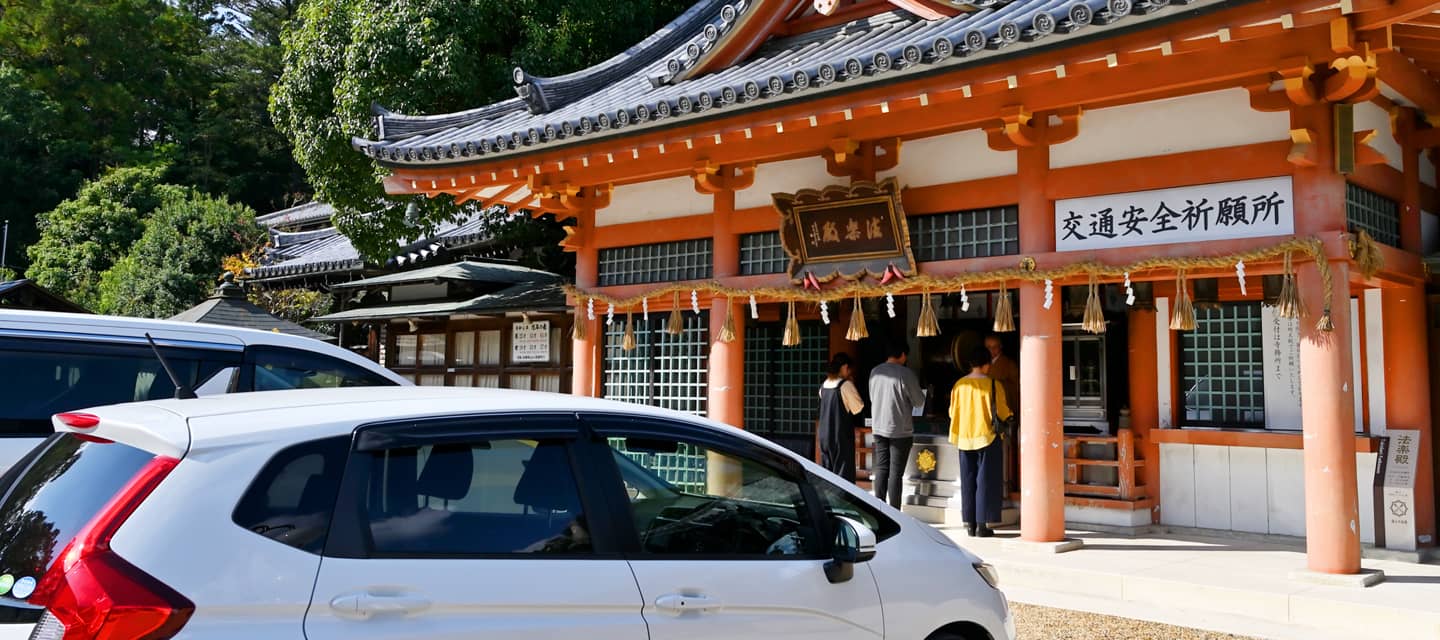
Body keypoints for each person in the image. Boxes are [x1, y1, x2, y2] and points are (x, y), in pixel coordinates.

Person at [949, 346, 1013, 537]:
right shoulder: (994, 385)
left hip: (964, 437)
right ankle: (982, 525)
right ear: (986, 364)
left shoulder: (959, 385)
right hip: (987, 436)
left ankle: (969, 523)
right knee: (986, 481)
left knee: (968, 480)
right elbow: (1002, 412)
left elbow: (952, 412)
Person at [868, 341, 925, 508]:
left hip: (878, 426)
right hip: (900, 429)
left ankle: (879, 507)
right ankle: (894, 510)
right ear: (902, 355)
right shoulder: (905, 374)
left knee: (881, 469)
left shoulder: (875, 372)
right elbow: (919, 401)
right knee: (895, 473)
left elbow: (872, 397)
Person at [818, 353, 865, 482]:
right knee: (843, 474)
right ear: (844, 367)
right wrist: (852, 384)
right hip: (840, 435)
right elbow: (858, 408)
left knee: (827, 473)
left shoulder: (824, 385)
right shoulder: (845, 385)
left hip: (824, 435)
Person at [985, 334, 1020, 495]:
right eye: (988, 348)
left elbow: (1015, 387)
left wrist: (996, 386)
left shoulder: (1009, 364)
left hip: (1002, 414)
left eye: (994, 347)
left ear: (1000, 347)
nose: (991, 351)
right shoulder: (983, 364)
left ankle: (1007, 484)